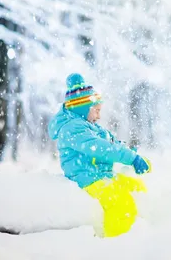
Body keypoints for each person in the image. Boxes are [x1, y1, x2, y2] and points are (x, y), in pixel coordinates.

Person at [48, 73, 152, 238]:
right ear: (83, 109)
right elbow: (102, 148)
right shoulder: (72, 129)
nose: (99, 115)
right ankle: (115, 245)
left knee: (136, 187)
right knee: (121, 203)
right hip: (86, 178)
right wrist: (131, 158)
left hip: (101, 176)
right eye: (96, 110)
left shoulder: (90, 127)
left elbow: (112, 143)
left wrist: (134, 155)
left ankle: (144, 234)